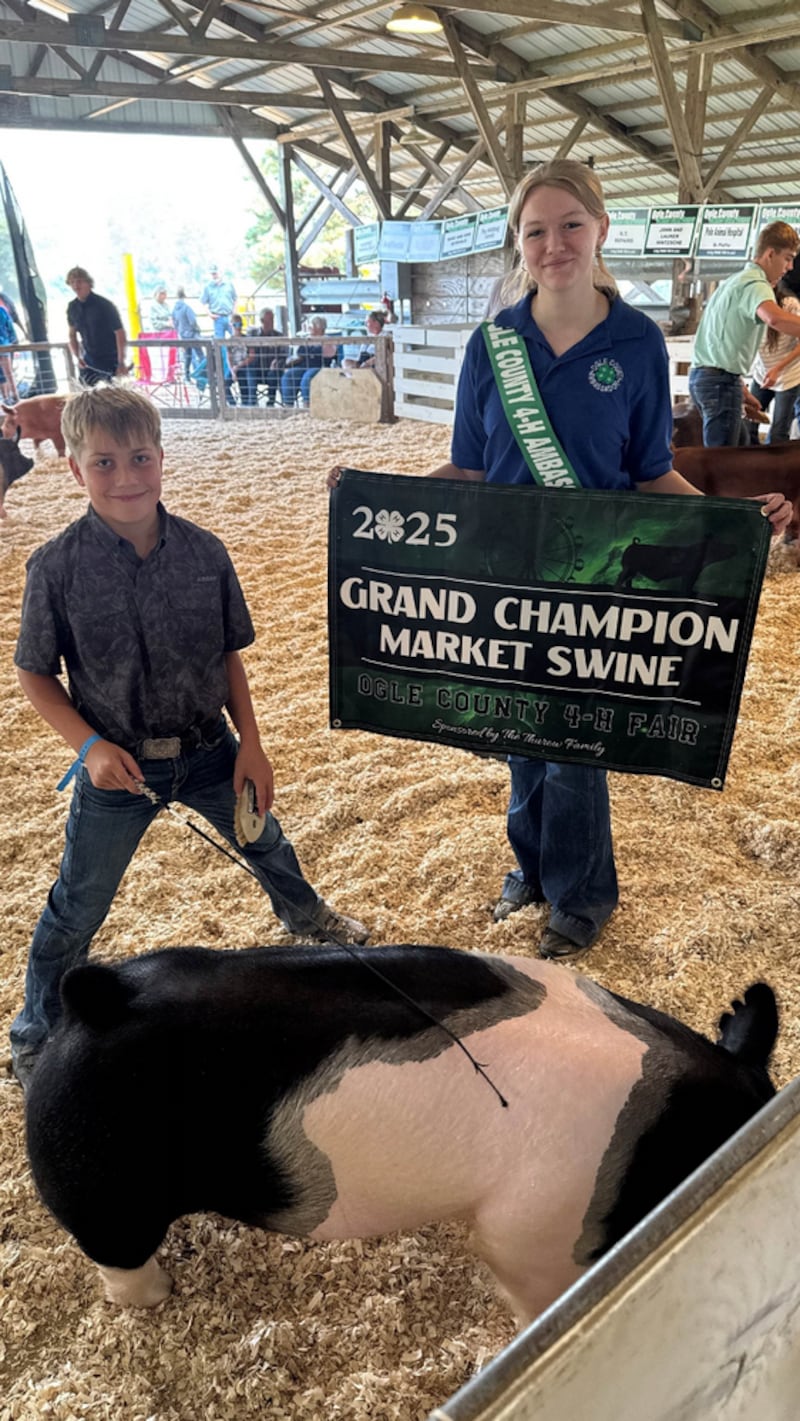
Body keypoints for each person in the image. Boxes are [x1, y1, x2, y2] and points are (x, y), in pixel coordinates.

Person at [329, 160, 792, 961]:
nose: (554, 244)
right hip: (506, 570)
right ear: (519, 242)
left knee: (575, 736)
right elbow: (469, 471)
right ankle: (533, 869)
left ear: (601, 229)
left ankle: (583, 895)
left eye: (571, 224)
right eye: (536, 230)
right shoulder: (493, 343)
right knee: (516, 722)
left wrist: (732, 519)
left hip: (597, 576)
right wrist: (376, 496)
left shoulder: (638, 343)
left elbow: (651, 471)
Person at [9, 385, 369, 1090]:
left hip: (208, 749)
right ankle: (34, 1030)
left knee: (266, 839)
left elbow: (228, 656)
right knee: (78, 903)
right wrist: (88, 747)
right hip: (118, 769)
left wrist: (253, 745)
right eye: (104, 463)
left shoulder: (206, 552)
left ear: (162, 460)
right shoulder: (53, 567)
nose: (126, 477)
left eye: (140, 457)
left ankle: (306, 915)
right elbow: (35, 675)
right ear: (75, 470)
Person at [688, 221, 800, 446]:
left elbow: (720, 346)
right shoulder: (756, 284)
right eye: (787, 258)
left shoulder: (734, 281)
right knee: (724, 465)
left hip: (707, 377)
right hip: (720, 382)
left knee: (741, 449)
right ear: (770, 254)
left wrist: (739, 388)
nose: (789, 267)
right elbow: (775, 318)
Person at [747, 279, 800, 444]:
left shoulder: (789, 304)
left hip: (789, 374)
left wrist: (778, 368)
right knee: (748, 425)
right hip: (762, 371)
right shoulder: (751, 304)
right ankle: (754, 465)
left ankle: (773, 468)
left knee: (779, 431)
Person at [66, 266, 127, 386]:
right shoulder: (72, 307)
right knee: (86, 398)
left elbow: (120, 332)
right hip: (88, 360)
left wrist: (121, 362)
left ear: (88, 283)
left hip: (110, 359)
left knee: (112, 397)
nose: (76, 285)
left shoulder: (105, 305)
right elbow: (72, 334)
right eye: (72, 282)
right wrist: (77, 357)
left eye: (79, 281)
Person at [281, 315, 337, 407]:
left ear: (319, 328)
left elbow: (329, 355)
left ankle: (307, 405)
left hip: (319, 367)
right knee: (289, 375)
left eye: (312, 325)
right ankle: (288, 405)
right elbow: (299, 354)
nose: (310, 327)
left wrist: (310, 352)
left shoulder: (327, 340)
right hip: (303, 366)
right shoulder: (307, 339)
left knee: (307, 378)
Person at [238, 307, 285, 407]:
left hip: (271, 368)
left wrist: (277, 362)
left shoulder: (278, 335)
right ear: (262, 321)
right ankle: (251, 401)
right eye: (269, 320)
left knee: (274, 373)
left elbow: (284, 354)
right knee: (249, 369)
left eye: (272, 319)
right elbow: (247, 350)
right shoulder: (252, 334)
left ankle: (271, 402)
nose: (271, 322)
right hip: (256, 367)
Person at [171, 286, 204, 379]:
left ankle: (187, 375)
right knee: (200, 354)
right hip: (192, 335)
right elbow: (192, 321)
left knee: (187, 357)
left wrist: (180, 333)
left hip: (183, 336)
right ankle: (205, 373)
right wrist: (197, 329)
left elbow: (175, 323)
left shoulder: (174, 310)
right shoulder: (187, 308)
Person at [201, 264, 236, 338]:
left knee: (236, 337)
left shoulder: (229, 284)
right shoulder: (208, 287)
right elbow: (204, 302)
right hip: (217, 317)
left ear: (221, 273)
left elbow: (235, 298)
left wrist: (234, 313)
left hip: (229, 316)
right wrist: (210, 314)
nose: (214, 276)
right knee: (219, 342)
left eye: (215, 273)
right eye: (212, 274)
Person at [0, 297, 19, 402]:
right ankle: (14, 396)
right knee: (8, 373)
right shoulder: (2, 311)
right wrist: (13, 340)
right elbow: (10, 327)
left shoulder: (2, 311)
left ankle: (6, 397)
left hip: (3, 345)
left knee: (3, 375)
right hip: (4, 345)